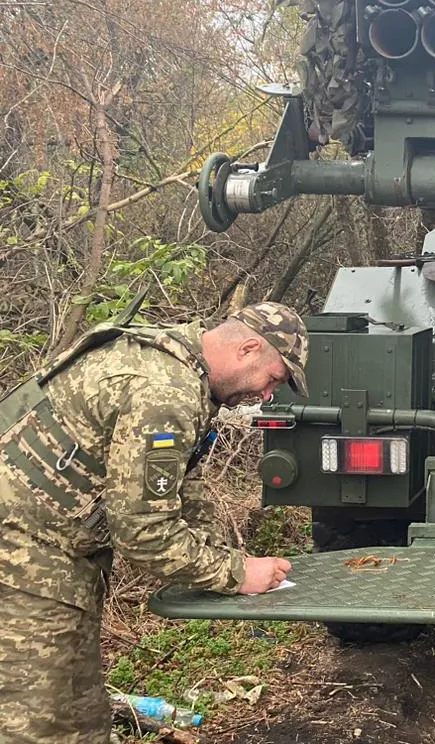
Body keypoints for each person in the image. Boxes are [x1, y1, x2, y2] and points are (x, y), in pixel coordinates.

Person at [0, 302, 309, 744]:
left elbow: (184, 478)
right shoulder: (164, 391)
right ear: (248, 348)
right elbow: (143, 531)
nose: (266, 395)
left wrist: (224, 552)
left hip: (56, 560)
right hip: (22, 561)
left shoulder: (180, 365)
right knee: (33, 725)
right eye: (273, 378)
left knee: (80, 718)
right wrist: (237, 573)